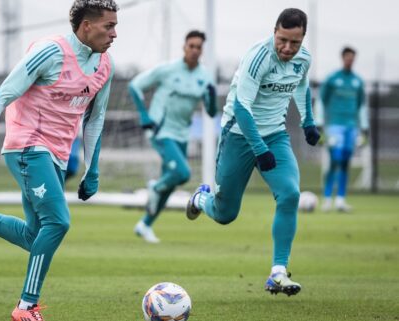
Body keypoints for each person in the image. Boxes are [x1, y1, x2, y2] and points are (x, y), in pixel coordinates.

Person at [0, 1, 118, 320]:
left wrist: (92, 169)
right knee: (58, 222)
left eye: (115, 26)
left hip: (57, 154)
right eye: (108, 26)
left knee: (35, 236)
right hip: (27, 147)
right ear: (86, 26)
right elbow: (1, 97)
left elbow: (95, 120)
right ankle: (26, 307)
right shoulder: (50, 53)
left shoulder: (105, 65)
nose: (114, 34)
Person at [185, 8, 321, 296]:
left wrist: (308, 121)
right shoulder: (257, 57)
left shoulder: (303, 59)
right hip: (239, 135)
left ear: (302, 39)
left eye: (294, 43)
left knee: (290, 194)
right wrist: (258, 148)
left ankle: (278, 273)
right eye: (282, 40)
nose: (287, 48)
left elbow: (302, 86)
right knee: (225, 214)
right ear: (274, 31)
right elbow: (242, 108)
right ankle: (200, 197)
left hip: (275, 135)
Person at [128, 30, 216, 244]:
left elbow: (212, 112)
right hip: (160, 129)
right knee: (182, 173)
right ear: (184, 47)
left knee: (171, 182)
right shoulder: (168, 70)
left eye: (198, 47)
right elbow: (134, 86)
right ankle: (154, 187)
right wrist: (143, 114)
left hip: (182, 133)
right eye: (191, 46)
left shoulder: (204, 76)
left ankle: (145, 224)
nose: (194, 50)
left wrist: (212, 98)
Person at [317, 47, 368, 212]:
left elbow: (362, 105)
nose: (350, 60)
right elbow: (320, 101)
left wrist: (364, 127)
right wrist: (319, 123)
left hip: (351, 127)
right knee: (334, 160)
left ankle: (340, 199)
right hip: (335, 126)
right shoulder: (332, 79)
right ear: (342, 58)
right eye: (347, 58)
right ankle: (326, 199)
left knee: (345, 162)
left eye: (352, 58)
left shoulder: (357, 81)